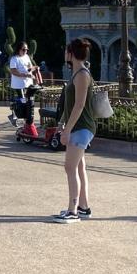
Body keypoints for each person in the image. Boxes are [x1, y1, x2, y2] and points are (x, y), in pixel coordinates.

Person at [54, 38, 96, 223]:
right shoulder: (76, 73)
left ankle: (73, 210)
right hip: (78, 126)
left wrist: (67, 130)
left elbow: (79, 105)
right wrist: (63, 123)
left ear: (71, 53)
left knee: (69, 167)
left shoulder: (82, 75)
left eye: (66, 50)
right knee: (79, 167)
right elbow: (70, 106)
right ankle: (83, 207)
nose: (64, 53)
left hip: (82, 127)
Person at [8, 41, 41, 127]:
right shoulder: (14, 58)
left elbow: (30, 68)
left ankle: (24, 119)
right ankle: (20, 117)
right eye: (23, 49)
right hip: (18, 84)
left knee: (28, 102)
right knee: (22, 101)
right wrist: (24, 75)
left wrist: (35, 68)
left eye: (26, 49)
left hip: (28, 83)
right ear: (19, 49)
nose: (25, 51)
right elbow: (13, 71)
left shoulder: (26, 56)